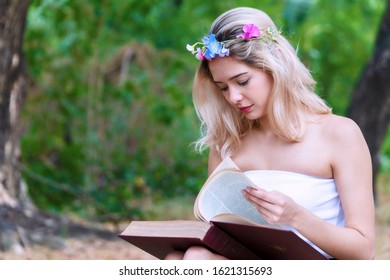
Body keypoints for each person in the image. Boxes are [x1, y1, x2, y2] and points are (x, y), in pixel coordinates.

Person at [166, 7, 375, 260]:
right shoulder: (227, 143)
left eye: (242, 81)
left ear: (275, 65)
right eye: (223, 88)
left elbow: (364, 250)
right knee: (183, 258)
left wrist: (296, 217)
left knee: (194, 260)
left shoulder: (339, 134)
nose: (233, 97)